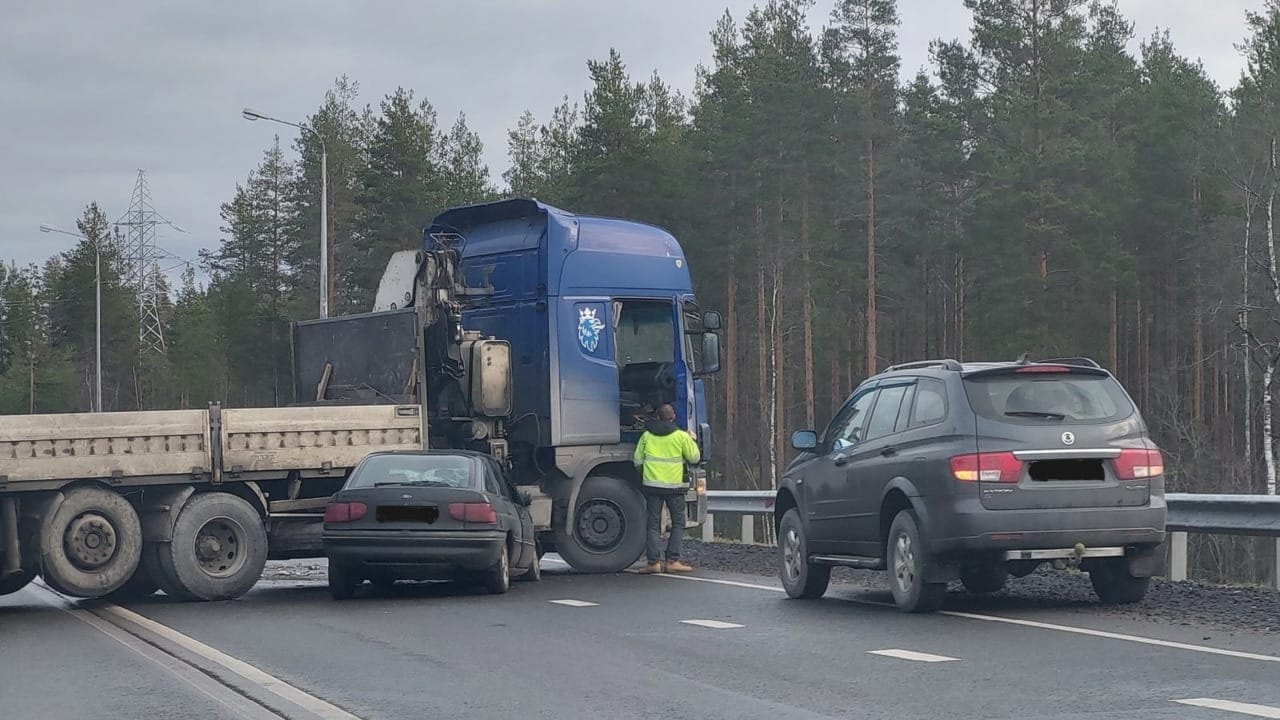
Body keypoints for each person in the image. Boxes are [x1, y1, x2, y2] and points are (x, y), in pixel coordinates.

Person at [632, 403, 701, 574]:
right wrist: (692, 440)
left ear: (657, 417)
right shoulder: (680, 436)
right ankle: (672, 561)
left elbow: (637, 461)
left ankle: (653, 563)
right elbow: (694, 458)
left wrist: (647, 474)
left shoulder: (647, 436)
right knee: (678, 523)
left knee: (653, 524)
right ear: (673, 417)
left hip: (652, 486)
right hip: (674, 487)